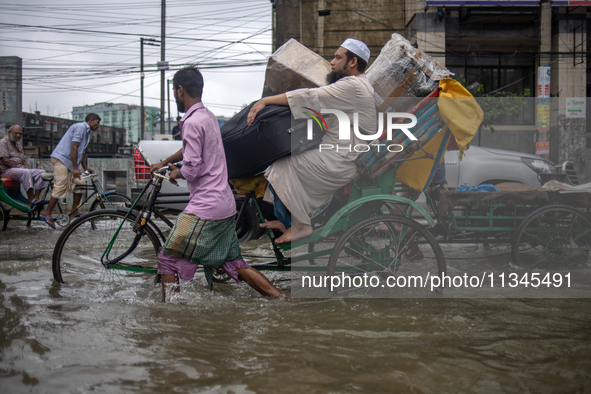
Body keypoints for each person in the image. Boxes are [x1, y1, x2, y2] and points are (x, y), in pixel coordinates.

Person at [150, 66, 283, 301]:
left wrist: (176, 174)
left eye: (174, 91)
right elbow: (192, 149)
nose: (174, 95)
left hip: (206, 207)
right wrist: (167, 160)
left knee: (167, 258)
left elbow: (192, 168)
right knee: (235, 262)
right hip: (225, 203)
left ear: (179, 90)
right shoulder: (207, 116)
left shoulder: (191, 123)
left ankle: (170, 316)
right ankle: (281, 299)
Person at [247, 38, 377, 243]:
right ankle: (289, 222)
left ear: (352, 62)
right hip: (342, 153)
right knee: (280, 168)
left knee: (283, 165)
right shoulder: (357, 85)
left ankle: (300, 225)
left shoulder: (352, 85)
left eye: (337, 57)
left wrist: (265, 100)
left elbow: (310, 97)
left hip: (344, 158)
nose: (332, 62)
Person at [39, 113, 100, 229]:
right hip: (61, 159)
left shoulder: (86, 132)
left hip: (69, 161)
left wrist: (85, 168)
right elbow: (74, 148)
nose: (98, 126)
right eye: (97, 122)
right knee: (60, 185)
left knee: (81, 183)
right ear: (91, 120)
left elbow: (80, 151)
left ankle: (74, 211)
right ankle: (47, 213)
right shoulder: (81, 127)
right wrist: (76, 168)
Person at [0, 125, 48, 207]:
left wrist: (28, 169)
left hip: (20, 170)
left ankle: (36, 199)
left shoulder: (18, 144)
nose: (18, 135)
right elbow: (5, 161)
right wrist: (22, 169)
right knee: (25, 172)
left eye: (20, 134)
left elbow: (24, 160)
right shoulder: (3, 142)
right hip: (7, 170)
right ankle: (30, 200)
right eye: (16, 133)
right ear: (9, 132)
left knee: (42, 173)